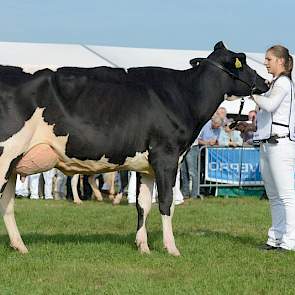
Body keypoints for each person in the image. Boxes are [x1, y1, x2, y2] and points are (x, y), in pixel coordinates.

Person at [252, 45, 295, 252]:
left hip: (281, 144)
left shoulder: (284, 83)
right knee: (275, 196)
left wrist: (252, 93)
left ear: (280, 61)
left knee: (286, 195)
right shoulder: (274, 85)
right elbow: (268, 115)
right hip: (268, 144)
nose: (266, 63)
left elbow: (270, 106)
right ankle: (275, 238)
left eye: (269, 59)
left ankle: (290, 241)